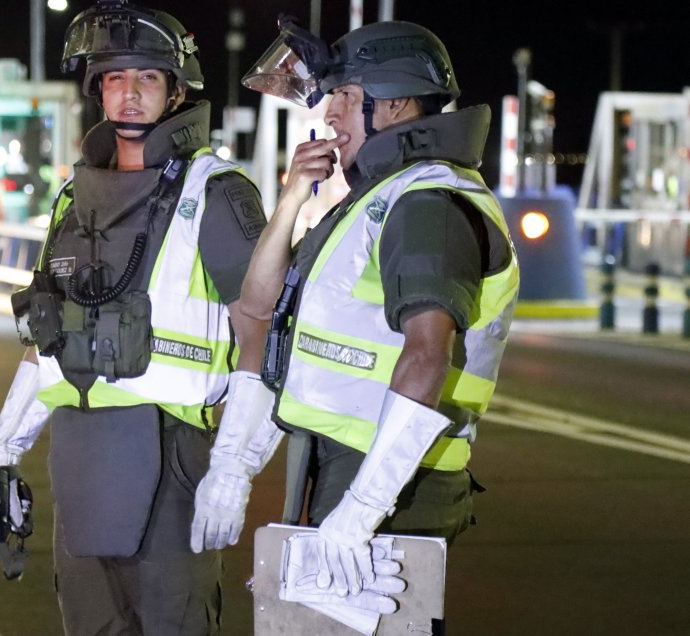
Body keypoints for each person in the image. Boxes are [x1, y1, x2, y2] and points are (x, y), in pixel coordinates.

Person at [190, 17, 520, 607]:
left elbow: (427, 355)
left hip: (391, 483)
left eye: (344, 95)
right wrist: (292, 196)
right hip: (341, 466)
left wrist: (361, 511)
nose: (330, 114)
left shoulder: (428, 202)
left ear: (392, 105)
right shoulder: (373, 200)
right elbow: (259, 308)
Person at [0, 1, 270, 633]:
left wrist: (233, 468)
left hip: (173, 457)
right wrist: (3, 453)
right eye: (114, 78)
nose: (129, 93)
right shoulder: (72, 197)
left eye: (146, 77)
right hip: (79, 457)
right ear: (98, 91)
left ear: (176, 91)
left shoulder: (216, 193)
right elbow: (43, 340)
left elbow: (262, 335)